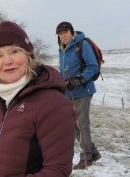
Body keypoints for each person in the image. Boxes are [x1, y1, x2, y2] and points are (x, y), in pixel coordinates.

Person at [0, 21, 76, 176]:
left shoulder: (52, 103)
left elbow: (57, 170)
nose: (7, 61)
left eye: (14, 51)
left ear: (28, 55)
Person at [56, 21, 101, 169]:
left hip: (83, 91)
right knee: (71, 123)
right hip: (68, 93)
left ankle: (86, 159)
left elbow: (93, 67)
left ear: (72, 32)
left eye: (66, 32)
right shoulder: (62, 49)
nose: (63, 36)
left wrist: (77, 80)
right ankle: (93, 152)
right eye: (61, 34)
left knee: (82, 125)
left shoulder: (82, 45)